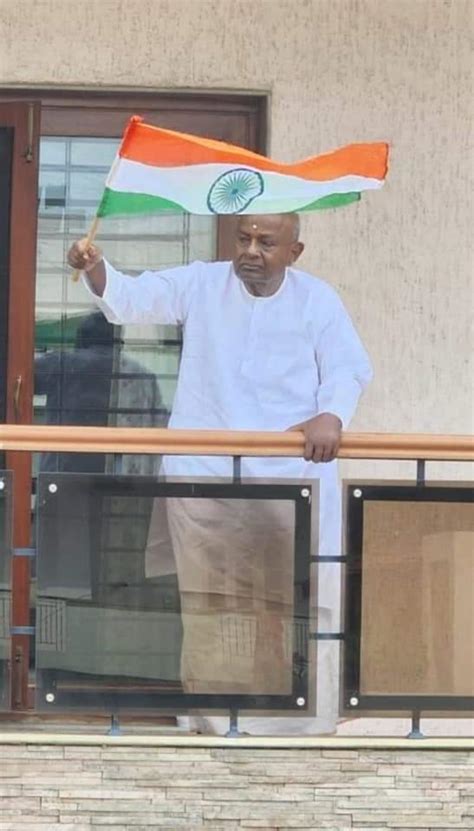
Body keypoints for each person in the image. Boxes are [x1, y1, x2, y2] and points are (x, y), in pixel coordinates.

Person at [67, 213, 372, 735]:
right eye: (244, 237)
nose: (251, 249)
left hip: (290, 473)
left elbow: (347, 367)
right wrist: (96, 269)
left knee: (300, 594)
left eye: (266, 242)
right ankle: (213, 717)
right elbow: (137, 297)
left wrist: (331, 415)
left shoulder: (317, 299)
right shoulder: (204, 283)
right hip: (205, 470)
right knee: (209, 600)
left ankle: (300, 721)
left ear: (294, 252)